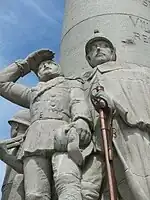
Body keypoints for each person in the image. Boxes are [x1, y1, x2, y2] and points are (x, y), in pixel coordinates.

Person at [0, 49, 92, 200]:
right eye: (41, 66)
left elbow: (78, 102)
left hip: (63, 136)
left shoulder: (71, 84)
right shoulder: (33, 93)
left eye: (51, 63)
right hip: (34, 141)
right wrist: (27, 64)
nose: (46, 66)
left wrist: (82, 120)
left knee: (67, 183)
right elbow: (2, 83)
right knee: (35, 193)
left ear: (60, 70)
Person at [82, 30, 150, 200]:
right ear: (88, 59)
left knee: (139, 184)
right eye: (93, 49)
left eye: (104, 46)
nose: (98, 49)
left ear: (113, 53)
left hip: (132, 132)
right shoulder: (83, 83)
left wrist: (113, 103)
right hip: (99, 142)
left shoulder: (136, 72)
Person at [0, 109, 30, 200]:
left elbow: (24, 168)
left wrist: (4, 156)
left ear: (16, 126)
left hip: (17, 190)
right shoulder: (13, 146)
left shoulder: (26, 143)